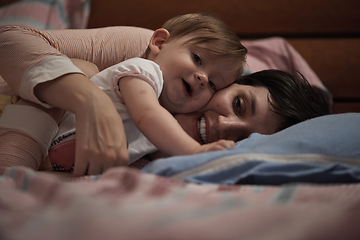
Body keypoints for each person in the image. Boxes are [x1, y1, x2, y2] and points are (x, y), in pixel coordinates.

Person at [0, 14, 330, 177]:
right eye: (238, 104)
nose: (225, 127)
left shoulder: (173, 158)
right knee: (81, 67)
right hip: (15, 106)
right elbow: (9, 38)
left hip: (50, 162)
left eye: (242, 140)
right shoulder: (150, 65)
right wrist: (90, 100)